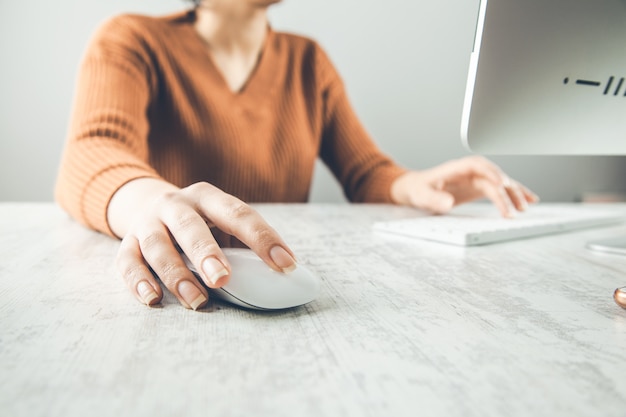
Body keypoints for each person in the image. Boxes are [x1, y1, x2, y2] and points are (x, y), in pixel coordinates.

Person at [55, 0, 538, 311]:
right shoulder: (130, 38)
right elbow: (94, 149)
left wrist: (414, 185)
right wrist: (150, 203)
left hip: (283, 268)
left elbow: (365, 172)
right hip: (180, 284)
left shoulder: (309, 61)